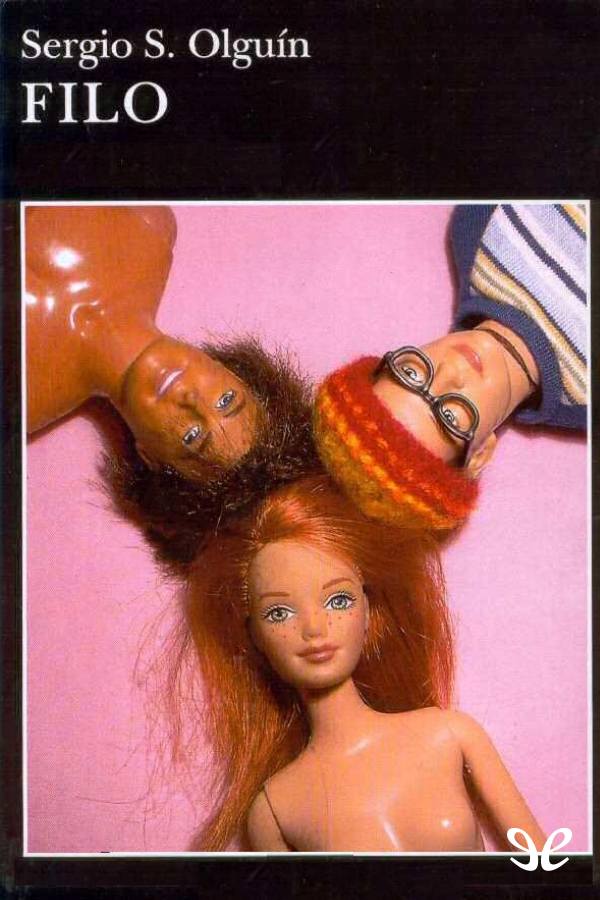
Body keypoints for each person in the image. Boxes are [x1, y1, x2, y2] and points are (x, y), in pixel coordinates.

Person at [173, 476, 545, 851]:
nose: (314, 629)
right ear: (254, 635)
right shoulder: (275, 811)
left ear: (367, 611)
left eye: (338, 601)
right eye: (279, 612)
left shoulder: (449, 735)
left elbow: (547, 867)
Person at [26, 205, 321, 567]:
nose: (191, 400)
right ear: (232, 371)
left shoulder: (23, 398)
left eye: (192, 437)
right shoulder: (148, 227)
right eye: (226, 400)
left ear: (148, 456)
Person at [313, 203, 587, 531]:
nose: (449, 373)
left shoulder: (477, 227)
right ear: (480, 454)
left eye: (410, 374)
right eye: (449, 417)